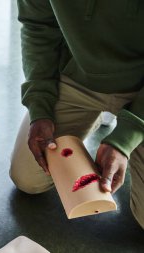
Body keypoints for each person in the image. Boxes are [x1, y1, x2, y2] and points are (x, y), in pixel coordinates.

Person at [10, 0, 144, 228]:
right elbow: (37, 27)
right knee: (28, 179)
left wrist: (127, 137)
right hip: (77, 76)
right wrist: (40, 107)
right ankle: (96, 117)